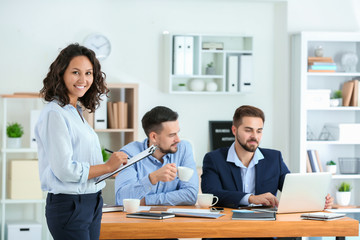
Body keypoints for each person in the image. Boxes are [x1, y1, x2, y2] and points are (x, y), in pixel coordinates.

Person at [35, 43, 128, 240]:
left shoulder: (75, 111)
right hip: (70, 206)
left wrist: (112, 168)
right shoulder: (55, 114)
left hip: (91, 202)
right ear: (61, 74)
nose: (83, 80)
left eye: (88, 73)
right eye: (75, 72)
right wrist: (106, 166)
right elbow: (65, 170)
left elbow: (85, 162)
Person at [201, 105, 333, 209]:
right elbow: (212, 194)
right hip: (227, 229)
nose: (254, 136)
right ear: (234, 130)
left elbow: (293, 191)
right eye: (248, 130)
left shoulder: (274, 158)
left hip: (265, 229)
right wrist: (251, 198)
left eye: (259, 131)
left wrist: (318, 200)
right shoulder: (214, 159)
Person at [115, 106, 198, 206]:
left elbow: (191, 195)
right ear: (154, 137)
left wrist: (146, 201)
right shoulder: (130, 154)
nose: (178, 139)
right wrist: (152, 178)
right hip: (137, 220)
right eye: (172, 135)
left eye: (177, 133)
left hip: (174, 219)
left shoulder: (183, 149)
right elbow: (122, 199)